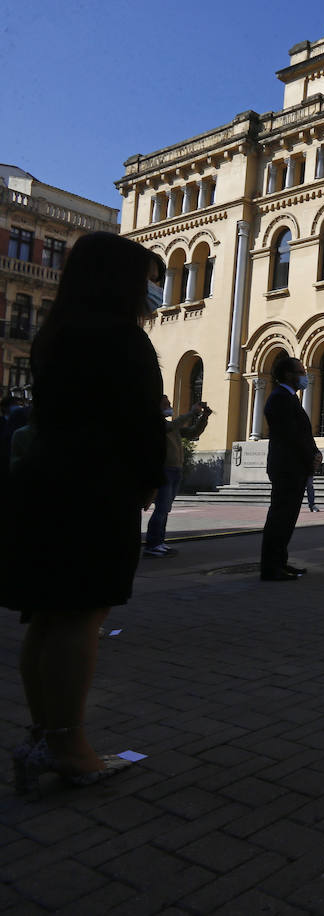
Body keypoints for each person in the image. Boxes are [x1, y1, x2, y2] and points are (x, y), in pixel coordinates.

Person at [0, 232, 165, 791]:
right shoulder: (123, 340)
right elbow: (141, 422)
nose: (151, 294)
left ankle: (43, 735)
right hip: (95, 489)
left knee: (47, 616)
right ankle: (69, 745)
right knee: (81, 616)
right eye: (146, 281)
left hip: (44, 483)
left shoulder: (57, 337)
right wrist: (147, 480)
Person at [260, 355, 319, 581]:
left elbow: (302, 433)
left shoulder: (288, 397)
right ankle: (271, 568)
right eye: (300, 371)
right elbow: (291, 436)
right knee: (280, 518)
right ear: (288, 374)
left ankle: (280, 563)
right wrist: (311, 456)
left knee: (287, 518)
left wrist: (315, 453)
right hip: (287, 467)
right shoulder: (279, 398)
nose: (304, 375)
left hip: (293, 466)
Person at [143, 396, 211, 558]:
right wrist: (191, 413)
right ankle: (152, 544)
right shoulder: (157, 424)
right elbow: (173, 425)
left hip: (175, 470)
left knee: (165, 509)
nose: (170, 406)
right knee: (161, 508)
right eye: (166, 404)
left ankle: (159, 542)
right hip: (165, 470)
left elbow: (193, 432)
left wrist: (204, 417)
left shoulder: (171, 427)